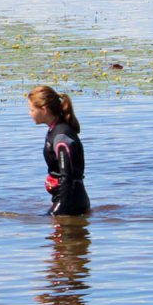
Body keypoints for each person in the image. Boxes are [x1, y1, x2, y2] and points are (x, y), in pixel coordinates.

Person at [27, 85, 90, 216]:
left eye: (32, 110)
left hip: (70, 203)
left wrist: (59, 211)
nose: (30, 113)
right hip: (67, 200)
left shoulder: (61, 136)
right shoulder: (54, 130)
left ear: (43, 109)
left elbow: (68, 176)